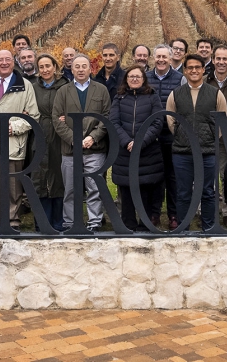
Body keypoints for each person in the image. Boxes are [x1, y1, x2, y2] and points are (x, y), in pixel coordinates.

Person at [0, 49, 39, 230]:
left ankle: (12, 220)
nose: (4, 63)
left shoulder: (25, 85)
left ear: (14, 62)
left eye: (7, 60)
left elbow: (33, 116)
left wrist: (15, 127)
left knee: (13, 186)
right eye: (0, 60)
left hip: (13, 144)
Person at [166, 54, 227, 230]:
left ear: (203, 70)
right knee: (184, 192)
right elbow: (171, 119)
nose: (194, 70)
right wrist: (180, 135)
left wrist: (211, 137)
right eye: (190, 68)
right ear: (185, 71)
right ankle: (183, 227)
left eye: (197, 67)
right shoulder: (176, 94)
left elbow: (222, 119)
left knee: (208, 192)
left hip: (207, 151)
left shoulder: (215, 93)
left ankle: (208, 226)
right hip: (182, 152)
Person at [54, 55, 112, 231]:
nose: (80, 69)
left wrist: (93, 137)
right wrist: (74, 139)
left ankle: (94, 222)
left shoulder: (101, 90)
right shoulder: (63, 91)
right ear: (71, 70)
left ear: (90, 69)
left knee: (94, 188)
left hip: (94, 149)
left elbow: (107, 117)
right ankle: (70, 222)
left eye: (84, 66)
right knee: (70, 190)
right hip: (70, 150)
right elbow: (56, 119)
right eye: (76, 66)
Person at [110, 65, 164, 231]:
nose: (134, 79)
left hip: (147, 151)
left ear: (143, 79)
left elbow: (157, 121)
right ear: (126, 79)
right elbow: (114, 122)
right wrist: (127, 142)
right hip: (124, 151)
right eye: (131, 76)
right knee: (125, 191)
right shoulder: (119, 98)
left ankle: (146, 224)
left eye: (137, 76)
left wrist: (140, 141)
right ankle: (128, 224)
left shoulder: (152, 97)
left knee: (146, 189)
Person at [147, 44, 185, 229]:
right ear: (153, 58)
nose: (161, 60)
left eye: (164, 57)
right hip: (151, 137)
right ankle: (153, 214)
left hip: (172, 136)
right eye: (158, 57)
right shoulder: (146, 78)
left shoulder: (180, 79)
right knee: (154, 177)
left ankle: (173, 214)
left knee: (173, 177)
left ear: (171, 59)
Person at [32, 54, 69, 231]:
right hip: (39, 135)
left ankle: (58, 221)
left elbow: (72, 107)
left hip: (59, 137)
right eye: (41, 67)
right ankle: (41, 221)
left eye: (48, 66)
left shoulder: (65, 87)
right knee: (39, 179)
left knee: (59, 178)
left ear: (55, 67)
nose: (45, 70)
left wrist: (66, 118)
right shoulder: (33, 88)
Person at [207, 45, 227, 228]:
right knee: (206, 176)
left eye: (224, 59)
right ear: (213, 60)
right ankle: (209, 211)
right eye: (217, 59)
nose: (221, 62)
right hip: (207, 136)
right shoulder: (204, 81)